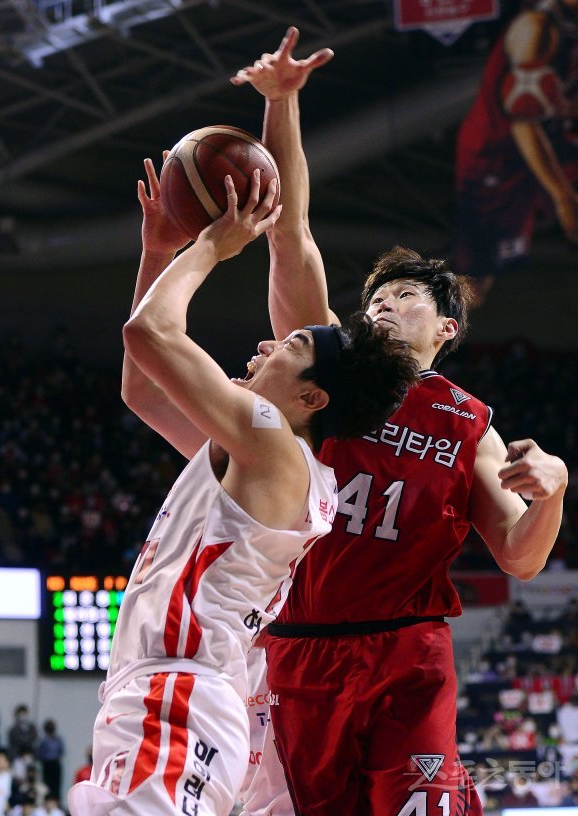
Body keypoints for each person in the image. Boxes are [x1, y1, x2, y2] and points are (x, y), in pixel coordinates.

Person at [232, 27, 569, 816]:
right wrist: (281, 106)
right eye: (374, 300)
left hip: (408, 650)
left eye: (403, 298)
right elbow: (291, 233)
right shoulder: (328, 371)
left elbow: (520, 556)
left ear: (445, 329)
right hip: (298, 648)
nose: (381, 307)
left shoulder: (468, 424)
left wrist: (553, 494)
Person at [67, 165, 417, 816]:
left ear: (313, 397)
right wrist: (156, 251)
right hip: (180, 696)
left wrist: (209, 247)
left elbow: (151, 334)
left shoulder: (269, 441)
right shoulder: (260, 457)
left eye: (289, 345)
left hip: (181, 695)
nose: (266, 344)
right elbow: (142, 385)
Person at [454, 0, 578, 304]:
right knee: (475, 288)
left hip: (550, 142)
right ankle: (433, 339)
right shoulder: (536, 27)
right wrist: (563, 198)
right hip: (497, 155)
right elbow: (524, 119)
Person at [36, 721, 63, 801]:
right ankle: (47, 801)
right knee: (47, 785)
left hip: (55, 763)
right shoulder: (43, 740)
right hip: (46, 764)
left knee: (56, 785)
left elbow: (61, 751)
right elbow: (39, 752)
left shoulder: (58, 739)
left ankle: (56, 801)